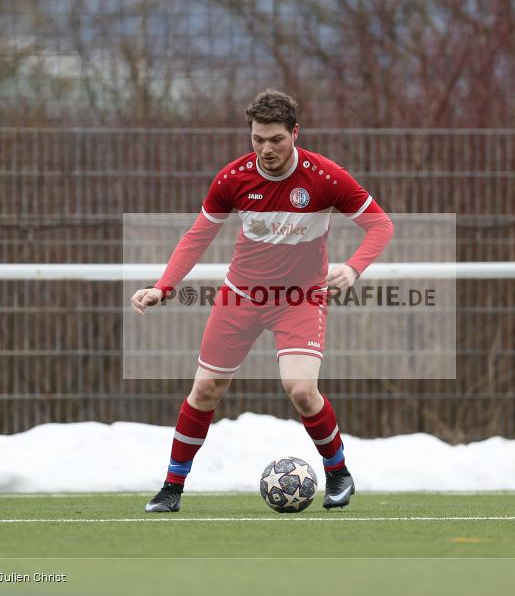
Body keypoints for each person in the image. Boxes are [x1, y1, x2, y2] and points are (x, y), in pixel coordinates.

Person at [132, 89, 393, 512]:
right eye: (257, 139)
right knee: (205, 389)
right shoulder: (233, 179)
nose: (266, 149)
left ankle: (338, 473)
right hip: (241, 297)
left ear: (295, 133)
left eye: (276, 139)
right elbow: (197, 237)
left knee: (302, 390)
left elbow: (380, 225)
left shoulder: (325, 177)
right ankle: (171, 488)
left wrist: (353, 267)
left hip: (301, 299)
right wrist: (162, 286)